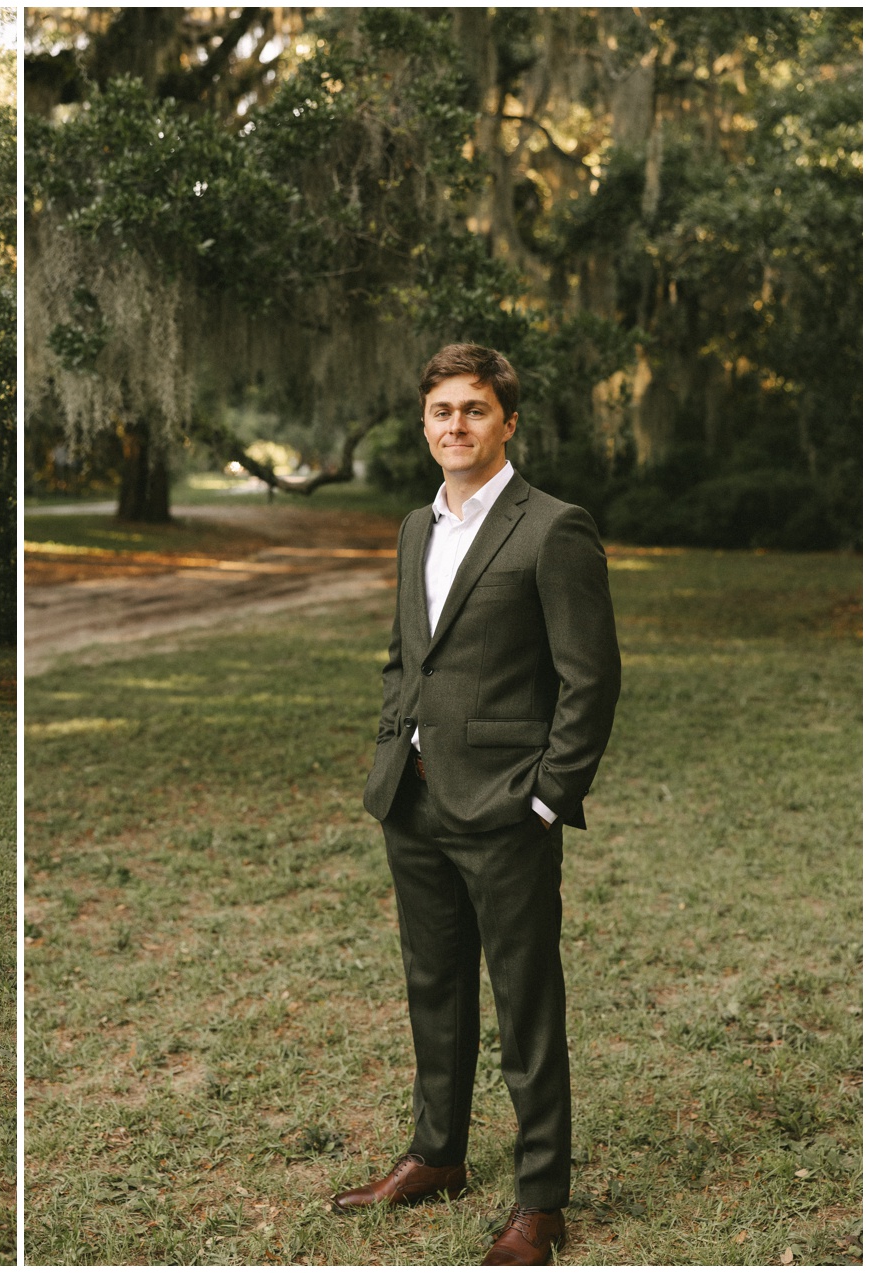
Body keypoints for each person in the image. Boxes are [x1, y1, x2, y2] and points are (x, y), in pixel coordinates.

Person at [335, 346, 620, 1265]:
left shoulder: (553, 528)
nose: (454, 425)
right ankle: (437, 1155)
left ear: (507, 423)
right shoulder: (418, 525)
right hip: (411, 803)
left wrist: (546, 801)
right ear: (424, 424)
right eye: (440, 411)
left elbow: (591, 678)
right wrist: (394, 749)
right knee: (435, 990)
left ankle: (541, 1201)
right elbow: (403, 656)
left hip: (505, 811)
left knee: (525, 1005)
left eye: (474, 409)